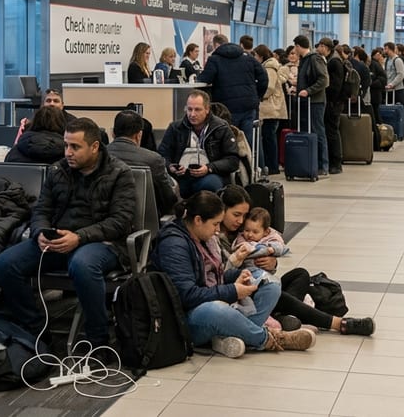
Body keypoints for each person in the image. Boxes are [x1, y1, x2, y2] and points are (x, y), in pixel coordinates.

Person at [0, 117, 136, 348]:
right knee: (5, 264)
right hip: (59, 240)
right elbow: (41, 209)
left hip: (102, 243)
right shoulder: (58, 170)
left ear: (94, 147)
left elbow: (120, 222)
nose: (68, 152)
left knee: (83, 265)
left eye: (75, 147)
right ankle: (37, 330)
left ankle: (98, 340)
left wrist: (79, 237)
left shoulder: (119, 173)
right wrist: (40, 231)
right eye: (66, 145)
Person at [150, 192, 314, 358]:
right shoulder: (174, 245)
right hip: (186, 320)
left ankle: (237, 336)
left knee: (270, 283)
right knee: (216, 310)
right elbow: (186, 296)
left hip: (211, 298)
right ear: (198, 220)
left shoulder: (202, 236)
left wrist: (241, 276)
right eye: (215, 224)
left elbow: (217, 276)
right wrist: (233, 291)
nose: (217, 230)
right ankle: (270, 339)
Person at [215, 186, 374, 337]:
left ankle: (283, 315)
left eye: (244, 215)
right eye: (236, 215)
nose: (241, 221)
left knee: (300, 274)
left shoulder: (241, 232)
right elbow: (221, 275)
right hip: (241, 292)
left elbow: (273, 247)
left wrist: (272, 263)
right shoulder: (216, 238)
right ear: (222, 210)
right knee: (277, 293)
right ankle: (339, 324)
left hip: (260, 283)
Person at [159, 90, 241, 195]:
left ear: (207, 109)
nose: (192, 114)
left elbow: (232, 160)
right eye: (189, 109)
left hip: (211, 175)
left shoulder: (221, 128)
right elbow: (162, 155)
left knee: (210, 184)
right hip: (181, 176)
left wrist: (209, 167)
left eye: (197, 110)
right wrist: (171, 167)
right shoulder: (175, 128)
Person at [197, 33, 268, 149]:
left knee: (229, 140)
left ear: (216, 45)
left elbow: (204, 79)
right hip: (248, 105)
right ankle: (248, 165)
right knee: (247, 141)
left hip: (226, 106)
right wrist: (257, 95)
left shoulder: (214, 59)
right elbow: (263, 77)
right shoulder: (247, 57)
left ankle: (232, 165)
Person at [108, 109, 179, 216]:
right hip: (147, 220)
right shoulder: (153, 159)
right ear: (139, 135)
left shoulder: (97, 156)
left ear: (113, 133)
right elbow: (168, 198)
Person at [293, 35, 329, 175]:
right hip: (306, 102)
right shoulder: (305, 60)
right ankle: (310, 163)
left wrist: (308, 91)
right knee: (309, 131)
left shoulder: (314, 59)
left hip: (315, 102)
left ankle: (322, 165)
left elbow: (324, 80)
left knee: (318, 132)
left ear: (297, 46)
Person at [254, 44, 289, 175]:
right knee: (270, 136)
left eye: (256, 56)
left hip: (271, 108)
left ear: (261, 56)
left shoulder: (269, 68)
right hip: (273, 107)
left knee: (269, 137)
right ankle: (272, 165)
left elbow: (269, 87)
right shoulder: (271, 66)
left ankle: (272, 166)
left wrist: (260, 96)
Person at [317, 38, 345, 174]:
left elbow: (335, 85)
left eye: (321, 46)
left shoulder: (334, 62)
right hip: (334, 102)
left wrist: (327, 96)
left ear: (326, 47)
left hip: (333, 103)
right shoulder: (333, 59)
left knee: (332, 131)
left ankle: (336, 162)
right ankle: (334, 161)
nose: (318, 49)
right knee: (331, 130)